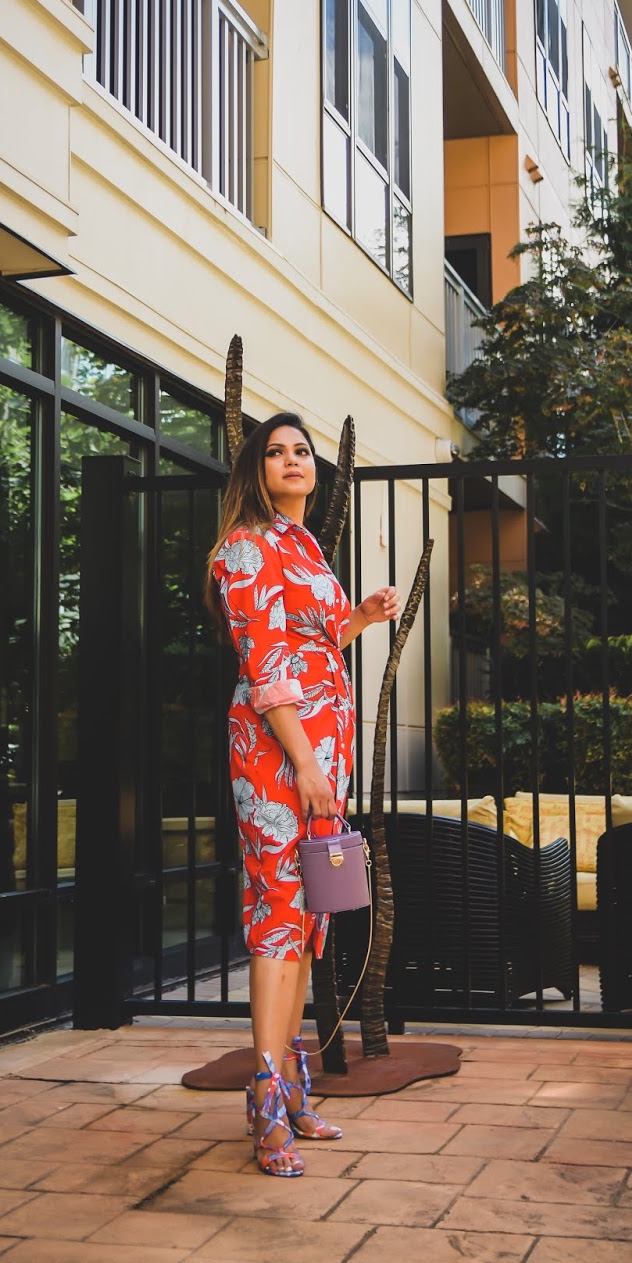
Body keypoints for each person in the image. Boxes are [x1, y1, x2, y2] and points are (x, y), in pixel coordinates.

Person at [206, 412, 400, 1178]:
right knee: (278, 917)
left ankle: (290, 1086)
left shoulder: (306, 545)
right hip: (279, 756)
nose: (292, 460)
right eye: (275, 452)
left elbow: (318, 642)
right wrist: (305, 765)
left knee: (309, 917)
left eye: (301, 451)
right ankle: (266, 1099)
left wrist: (361, 617)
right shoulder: (247, 546)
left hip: (321, 756)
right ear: (255, 470)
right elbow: (266, 666)